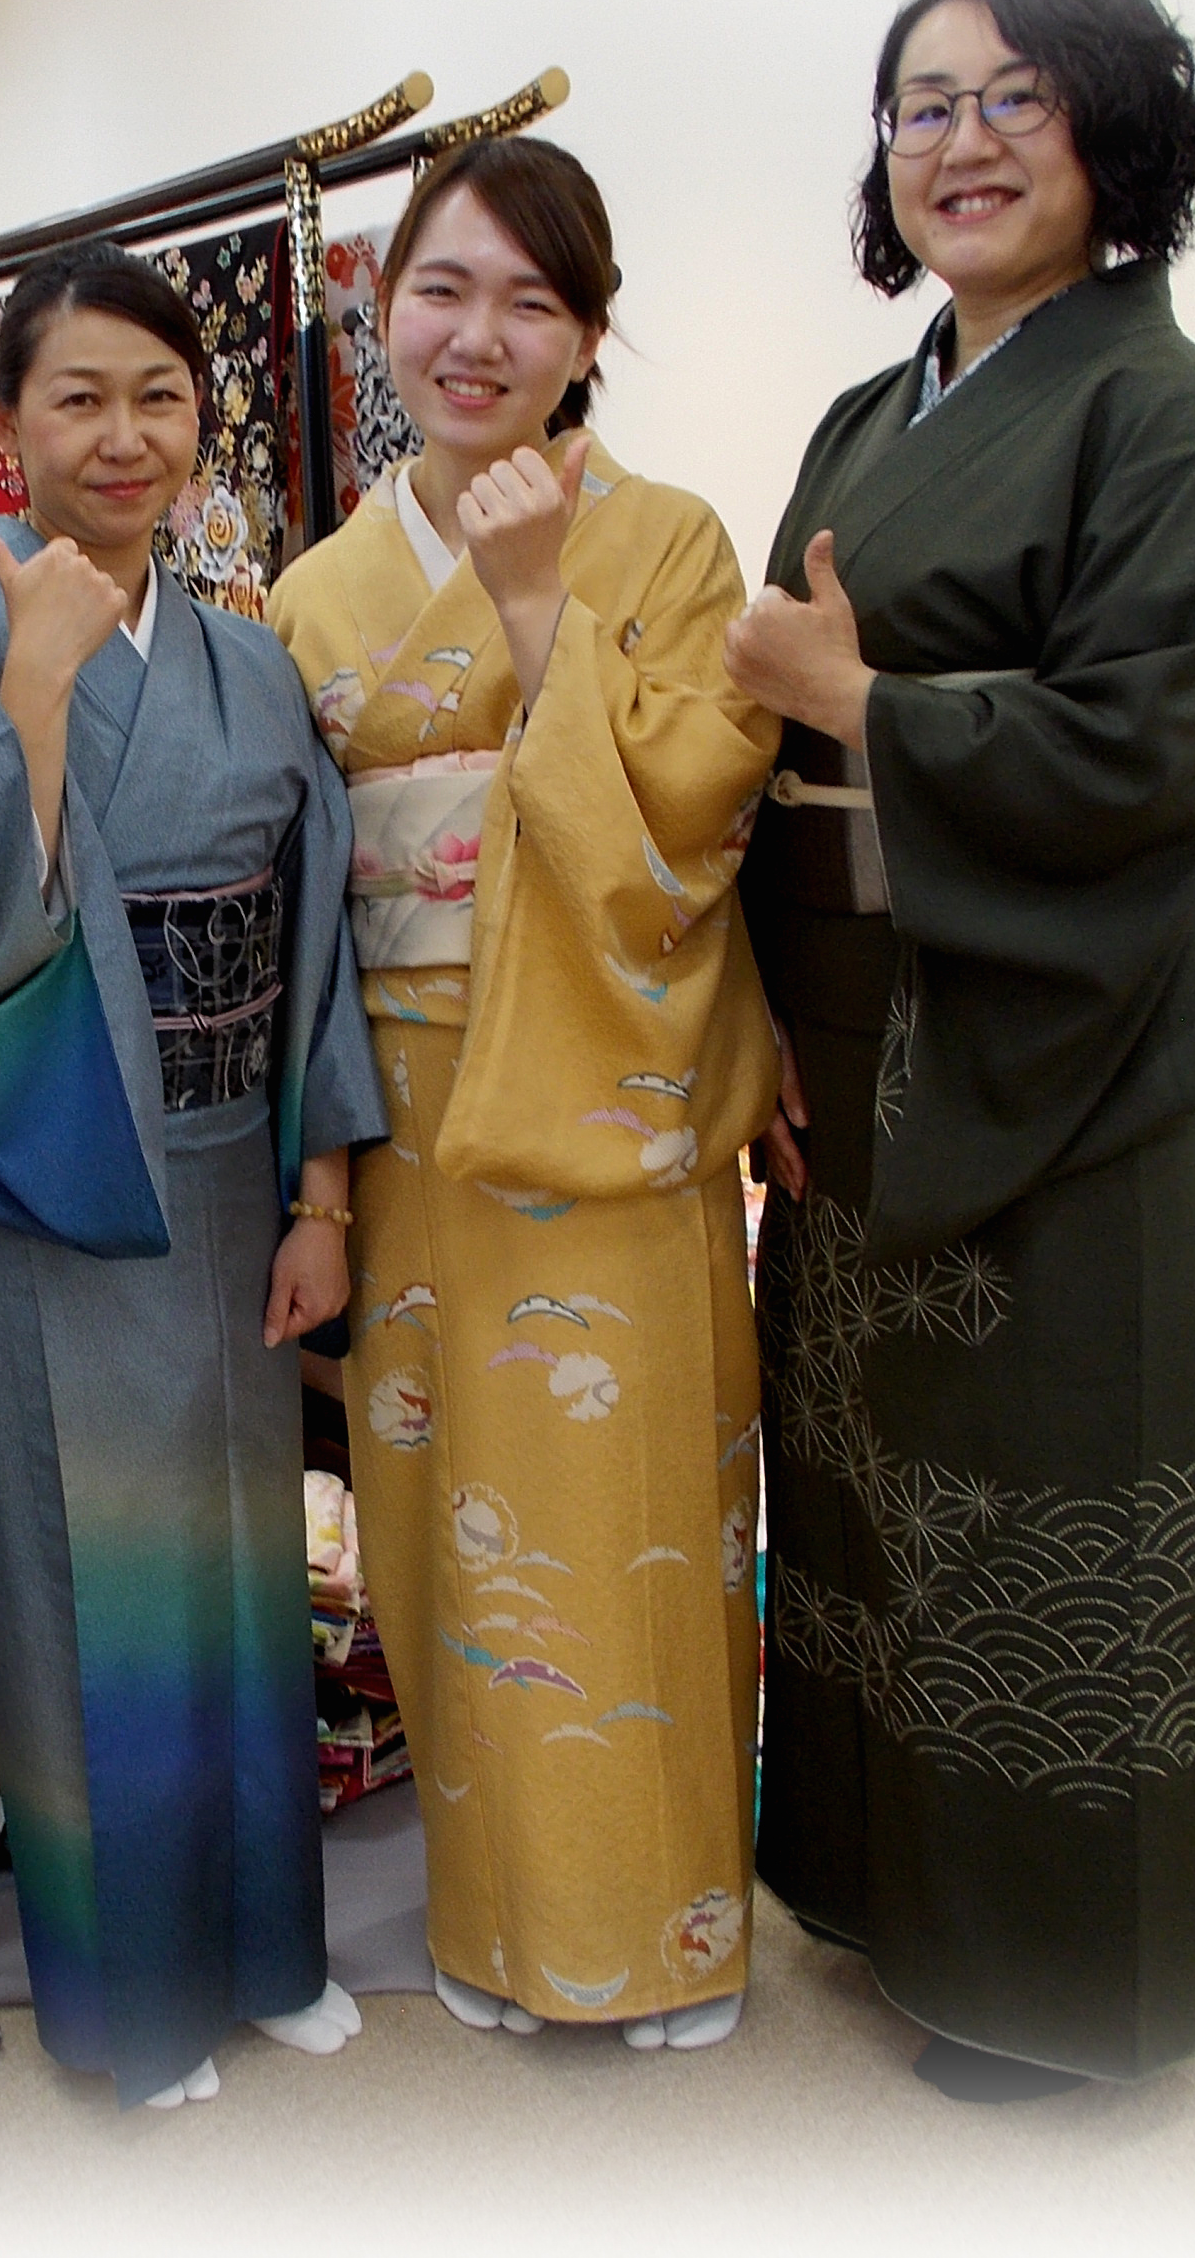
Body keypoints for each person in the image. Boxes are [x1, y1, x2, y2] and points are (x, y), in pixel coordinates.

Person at [724, 0, 1195, 2103]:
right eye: (920, 107)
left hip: (1077, 1051)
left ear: (1111, 133)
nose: (957, 145)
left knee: (1049, 1497)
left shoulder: (1171, 418)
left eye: (1011, 99)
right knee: (874, 1480)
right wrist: (764, 1027)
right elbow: (768, 759)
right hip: (859, 1041)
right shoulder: (868, 417)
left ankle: (1068, 1989)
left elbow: (1167, 749)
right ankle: (892, 1898)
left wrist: (864, 701)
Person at [0, 241, 384, 2112]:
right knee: (81, 1598)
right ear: (5, 420)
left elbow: (318, 930)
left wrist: (323, 1197)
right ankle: (130, 2002)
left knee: (238, 1576)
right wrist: (38, 686)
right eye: (79, 397)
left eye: (161, 397)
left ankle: (265, 1946)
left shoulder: (247, 656)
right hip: (50, 1178)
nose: (124, 436)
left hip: (230, 1186)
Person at [265, 138, 779, 2052]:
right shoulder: (317, 591)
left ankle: (669, 1934)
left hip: (606, 1097)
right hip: (408, 1114)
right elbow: (305, 912)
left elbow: (695, 828)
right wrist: (318, 1183)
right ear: (380, 307)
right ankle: (493, 1915)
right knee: (442, 1513)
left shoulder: (672, 541)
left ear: (589, 336)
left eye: (531, 302)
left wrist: (546, 604)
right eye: (442, 290)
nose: (477, 337)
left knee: (627, 1511)